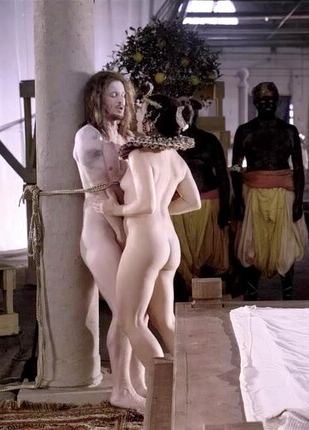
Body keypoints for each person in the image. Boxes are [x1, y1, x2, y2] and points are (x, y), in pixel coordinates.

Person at [93, 92, 200, 405]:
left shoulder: (140, 156)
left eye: (140, 112)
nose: (136, 115)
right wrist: (163, 210)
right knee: (165, 322)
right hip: (168, 241)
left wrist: (115, 210)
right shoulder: (175, 158)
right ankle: (197, 383)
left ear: (150, 120)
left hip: (146, 242)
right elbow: (193, 202)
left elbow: (146, 204)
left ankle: (166, 397)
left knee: (132, 322)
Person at [73, 71, 145, 411]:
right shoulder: (88, 135)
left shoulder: (127, 135)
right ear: (98, 98)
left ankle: (138, 382)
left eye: (123, 95)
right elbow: (101, 190)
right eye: (113, 94)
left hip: (125, 224)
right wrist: (122, 232)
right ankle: (121, 389)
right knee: (124, 311)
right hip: (100, 229)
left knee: (137, 313)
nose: (121, 101)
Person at [231, 82, 307, 301]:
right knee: (252, 245)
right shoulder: (245, 131)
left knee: (286, 245)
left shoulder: (289, 131)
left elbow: (298, 168)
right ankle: (251, 293)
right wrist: (239, 200)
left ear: (278, 102)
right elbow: (236, 167)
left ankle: (288, 293)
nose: (268, 104)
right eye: (263, 100)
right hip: (253, 194)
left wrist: (298, 202)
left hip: (284, 195)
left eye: (272, 100)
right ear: (255, 103)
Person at [171, 98, 231, 300]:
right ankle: (181, 299)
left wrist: (225, 209)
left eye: (190, 110)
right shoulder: (169, 142)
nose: (186, 114)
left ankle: (206, 298)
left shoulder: (209, 141)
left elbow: (223, 176)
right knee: (179, 257)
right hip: (177, 207)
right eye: (181, 110)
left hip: (208, 205)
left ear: (196, 113)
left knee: (208, 255)